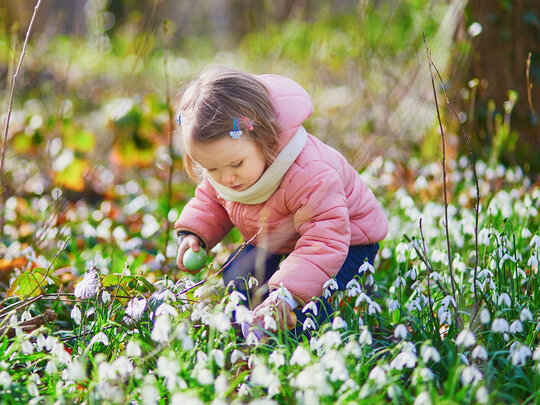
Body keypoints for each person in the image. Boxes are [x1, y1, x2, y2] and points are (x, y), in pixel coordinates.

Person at [174, 66, 388, 334]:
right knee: (237, 279)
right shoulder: (229, 169)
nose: (225, 178)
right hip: (281, 235)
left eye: (235, 164)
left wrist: (286, 294)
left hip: (345, 242)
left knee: (306, 313)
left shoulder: (310, 174)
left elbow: (324, 241)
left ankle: (318, 328)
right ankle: (249, 328)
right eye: (212, 169)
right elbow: (212, 198)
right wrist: (194, 234)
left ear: (263, 138)